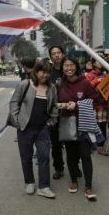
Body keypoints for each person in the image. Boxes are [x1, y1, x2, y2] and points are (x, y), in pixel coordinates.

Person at [8, 61, 58, 199]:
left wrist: (51, 122)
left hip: (43, 129)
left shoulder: (52, 88)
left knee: (44, 157)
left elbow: (54, 106)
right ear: (36, 72)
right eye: (42, 71)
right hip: (25, 128)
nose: (45, 75)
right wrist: (17, 121)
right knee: (26, 157)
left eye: (47, 72)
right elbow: (14, 102)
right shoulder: (25, 85)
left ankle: (44, 186)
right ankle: (29, 182)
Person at [57, 56, 102, 201]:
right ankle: (73, 181)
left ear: (76, 66)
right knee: (70, 155)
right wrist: (61, 105)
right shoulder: (59, 84)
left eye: (71, 65)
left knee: (85, 156)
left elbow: (96, 99)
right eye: (66, 66)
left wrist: (77, 105)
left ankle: (88, 186)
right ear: (62, 67)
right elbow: (54, 102)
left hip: (83, 124)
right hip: (67, 123)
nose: (68, 68)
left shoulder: (84, 83)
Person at [47, 46, 66, 179]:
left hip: (69, 112)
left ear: (63, 54)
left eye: (58, 53)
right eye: (53, 53)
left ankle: (74, 165)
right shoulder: (48, 72)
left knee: (73, 141)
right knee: (56, 144)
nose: (56, 55)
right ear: (50, 57)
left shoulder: (70, 68)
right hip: (54, 114)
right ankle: (58, 167)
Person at [85, 57, 109, 155]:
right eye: (98, 61)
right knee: (92, 127)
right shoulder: (89, 75)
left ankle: (101, 148)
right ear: (94, 63)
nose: (101, 63)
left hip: (103, 105)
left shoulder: (105, 75)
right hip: (93, 105)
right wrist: (96, 81)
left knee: (103, 127)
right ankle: (91, 145)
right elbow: (86, 89)